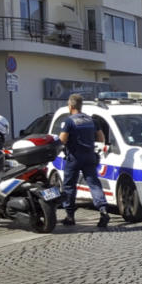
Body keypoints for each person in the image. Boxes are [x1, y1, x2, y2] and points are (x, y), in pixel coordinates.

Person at [58, 93, 109, 228]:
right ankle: (103, 210)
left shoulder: (69, 121)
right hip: (90, 156)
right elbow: (101, 138)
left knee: (69, 186)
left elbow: (62, 140)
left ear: (70, 106)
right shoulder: (92, 120)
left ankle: (70, 216)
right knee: (94, 184)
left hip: (74, 157)